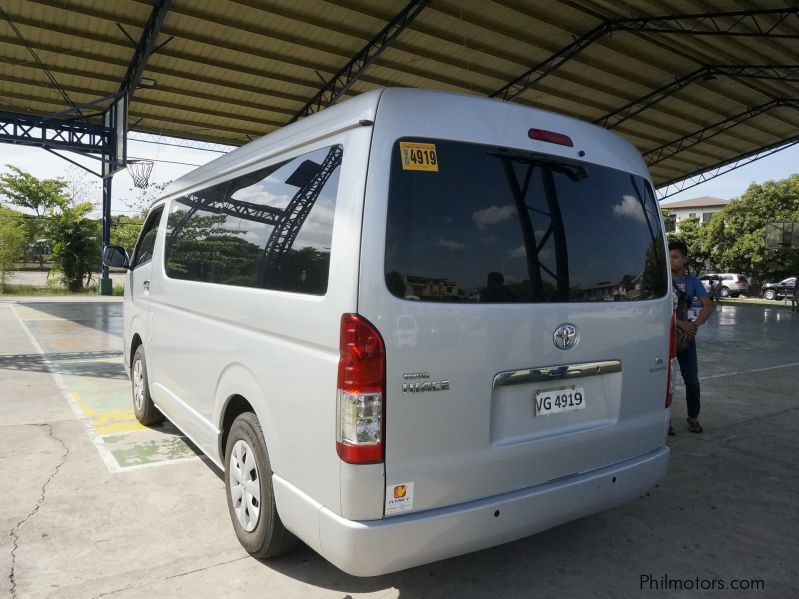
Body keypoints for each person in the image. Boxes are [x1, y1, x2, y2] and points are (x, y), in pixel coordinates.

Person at [669, 240, 715, 434]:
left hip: (687, 339)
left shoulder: (693, 282)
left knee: (692, 381)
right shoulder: (661, 281)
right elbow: (659, 308)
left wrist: (695, 325)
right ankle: (665, 420)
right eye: (668, 257)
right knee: (663, 382)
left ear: (684, 259)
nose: (671, 261)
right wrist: (682, 324)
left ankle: (693, 417)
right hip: (665, 339)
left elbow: (709, 305)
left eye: (675, 257)